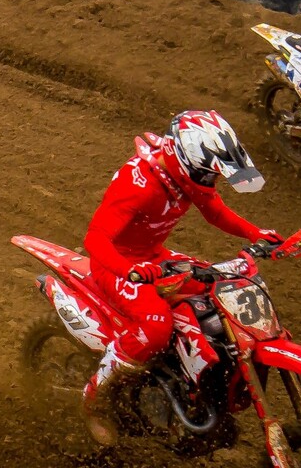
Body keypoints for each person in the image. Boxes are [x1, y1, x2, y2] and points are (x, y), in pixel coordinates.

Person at [76, 111, 283, 445]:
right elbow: (95, 239)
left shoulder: (183, 176)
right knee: (156, 326)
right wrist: (129, 270)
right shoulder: (139, 185)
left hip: (155, 257)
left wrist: (256, 234)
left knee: (219, 287)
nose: (210, 181)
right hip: (117, 263)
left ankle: (196, 381)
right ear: (184, 160)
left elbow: (214, 211)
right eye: (207, 173)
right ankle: (94, 397)